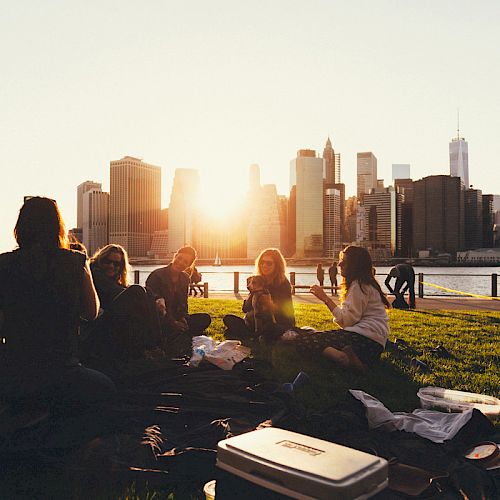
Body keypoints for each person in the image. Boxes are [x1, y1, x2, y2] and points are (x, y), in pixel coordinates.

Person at [0, 197, 115, 423]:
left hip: (16, 374)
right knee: (107, 388)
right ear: (57, 226)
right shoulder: (75, 262)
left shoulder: (3, 264)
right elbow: (92, 312)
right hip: (62, 372)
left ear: (20, 228)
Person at [289, 246, 390, 372]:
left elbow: (347, 321)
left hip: (363, 340)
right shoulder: (366, 284)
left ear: (355, 265)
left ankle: (342, 358)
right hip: (374, 345)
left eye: (344, 261)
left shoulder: (359, 286)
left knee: (303, 341)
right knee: (315, 337)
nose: (340, 264)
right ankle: (351, 357)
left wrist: (325, 298)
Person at [86, 244, 162, 361]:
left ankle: (154, 344)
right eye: (107, 261)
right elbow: (113, 291)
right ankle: (154, 345)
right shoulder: (94, 273)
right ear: (100, 260)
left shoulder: (114, 281)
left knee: (148, 293)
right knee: (138, 291)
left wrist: (156, 299)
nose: (111, 266)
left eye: (116, 264)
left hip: (113, 319)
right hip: (97, 323)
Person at [223, 248, 295, 340]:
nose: (264, 265)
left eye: (269, 263)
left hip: (278, 322)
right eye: (262, 262)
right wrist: (252, 294)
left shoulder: (283, 284)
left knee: (270, 328)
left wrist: (270, 304)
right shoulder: (256, 281)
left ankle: (249, 334)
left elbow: (285, 313)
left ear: (277, 265)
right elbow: (245, 309)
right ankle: (254, 335)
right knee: (228, 318)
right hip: (255, 321)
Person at [146, 246, 211, 346]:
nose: (180, 263)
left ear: (188, 265)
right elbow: (152, 303)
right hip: (160, 318)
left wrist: (183, 318)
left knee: (205, 318)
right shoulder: (156, 275)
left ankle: (178, 333)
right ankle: (176, 334)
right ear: (175, 256)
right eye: (179, 258)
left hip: (176, 316)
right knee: (164, 325)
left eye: (185, 262)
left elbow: (183, 304)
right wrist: (174, 323)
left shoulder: (185, 278)